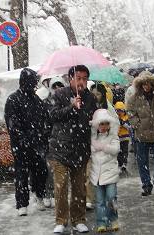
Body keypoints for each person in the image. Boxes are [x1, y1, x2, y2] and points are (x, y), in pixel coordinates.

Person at [47, 65, 97, 234]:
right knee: (60, 187)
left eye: (84, 78)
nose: (81, 82)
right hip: (60, 149)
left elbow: (93, 118)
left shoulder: (90, 98)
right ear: (70, 79)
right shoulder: (59, 94)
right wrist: (71, 107)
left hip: (81, 149)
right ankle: (61, 220)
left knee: (79, 188)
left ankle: (79, 219)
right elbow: (52, 115)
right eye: (78, 78)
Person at [4, 68, 49, 216]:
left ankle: (39, 195)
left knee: (41, 171)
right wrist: (22, 138)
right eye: (32, 82)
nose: (34, 85)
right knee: (22, 174)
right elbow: (12, 122)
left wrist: (43, 136)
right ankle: (22, 204)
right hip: (21, 145)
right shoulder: (13, 99)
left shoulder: (36, 100)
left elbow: (45, 120)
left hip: (38, 143)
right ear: (24, 82)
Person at [126, 71, 154, 196]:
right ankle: (146, 185)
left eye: (148, 83)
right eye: (144, 84)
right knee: (142, 162)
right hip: (141, 134)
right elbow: (130, 112)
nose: (146, 86)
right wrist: (136, 124)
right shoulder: (134, 98)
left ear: (152, 84)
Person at [90, 109, 120, 233]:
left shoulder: (113, 137)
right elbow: (91, 151)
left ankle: (113, 220)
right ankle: (101, 222)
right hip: (96, 174)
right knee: (100, 201)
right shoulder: (92, 138)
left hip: (110, 173)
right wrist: (95, 147)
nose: (103, 127)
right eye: (101, 124)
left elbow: (115, 150)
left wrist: (103, 147)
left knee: (111, 198)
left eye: (105, 124)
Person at [42, 77, 66, 208]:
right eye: (55, 86)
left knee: (62, 169)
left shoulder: (69, 100)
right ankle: (49, 193)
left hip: (66, 140)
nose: (58, 88)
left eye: (60, 86)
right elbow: (43, 121)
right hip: (51, 139)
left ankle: (60, 193)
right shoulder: (45, 103)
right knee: (50, 169)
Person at [114, 101, 131, 176]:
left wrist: (122, 122)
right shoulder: (114, 118)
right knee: (118, 152)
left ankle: (124, 163)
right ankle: (120, 164)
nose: (119, 112)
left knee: (124, 151)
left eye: (120, 111)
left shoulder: (126, 117)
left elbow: (129, 126)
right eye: (117, 111)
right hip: (117, 138)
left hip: (125, 138)